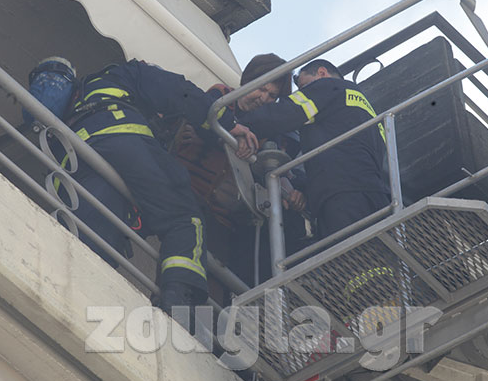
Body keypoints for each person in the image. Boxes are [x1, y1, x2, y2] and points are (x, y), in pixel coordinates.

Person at [65, 59, 257, 313]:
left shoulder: (88, 91)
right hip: (122, 134)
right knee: (185, 218)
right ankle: (178, 301)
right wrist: (228, 124)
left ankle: (81, 272)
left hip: (76, 154)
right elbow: (177, 91)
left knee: (104, 208)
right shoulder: (134, 72)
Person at [172, 53, 307, 285]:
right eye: (262, 89)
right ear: (249, 80)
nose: (264, 98)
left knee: (212, 278)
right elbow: (200, 118)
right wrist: (227, 137)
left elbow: (275, 170)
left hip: (221, 218)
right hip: (182, 191)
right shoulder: (221, 96)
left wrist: (294, 193)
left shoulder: (269, 132)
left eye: (272, 96)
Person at [238, 59, 389, 240]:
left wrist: (237, 125)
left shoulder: (330, 86)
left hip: (341, 196)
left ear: (322, 73)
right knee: (370, 253)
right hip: (376, 195)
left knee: (344, 252)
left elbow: (285, 113)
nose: (303, 93)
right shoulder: (367, 112)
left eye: (304, 87)